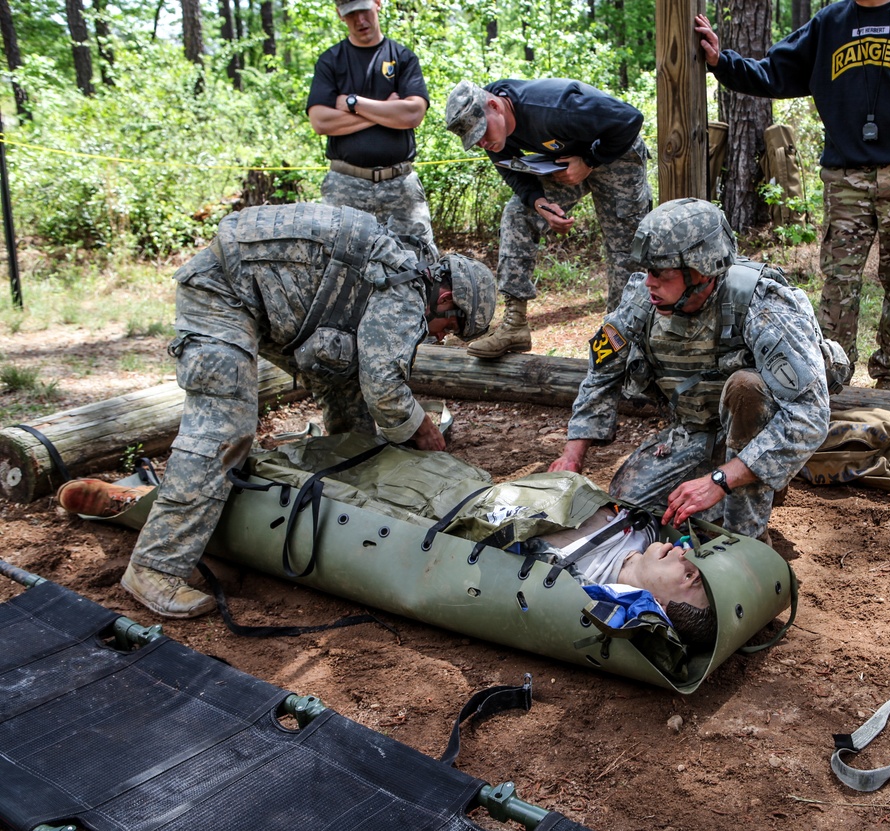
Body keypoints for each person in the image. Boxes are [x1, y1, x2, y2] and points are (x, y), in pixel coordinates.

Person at [101, 202, 495, 620]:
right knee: (223, 429)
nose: (439, 338)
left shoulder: (403, 265)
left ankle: (341, 500)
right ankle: (155, 566)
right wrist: (421, 430)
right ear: (447, 297)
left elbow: (365, 382)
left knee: (349, 395)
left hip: (269, 300)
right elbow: (385, 389)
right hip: (223, 292)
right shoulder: (407, 289)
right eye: (448, 329)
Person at [56, 457, 715, 648]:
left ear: (653, 602)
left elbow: (635, 623)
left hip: (455, 528)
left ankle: (141, 499)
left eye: (688, 578)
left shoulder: (607, 597)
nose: (688, 560)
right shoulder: (639, 536)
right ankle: (223, 459)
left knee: (314, 504)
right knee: (364, 463)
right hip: (482, 491)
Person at [695, 2, 890, 391]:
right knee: (839, 282)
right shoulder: (829, 23)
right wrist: (723, 62)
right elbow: (775, 72)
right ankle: (834, 375)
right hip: (846, 177)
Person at [549, 198, 839, 542]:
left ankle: (747, 534)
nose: (649, 283)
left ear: (701, 271)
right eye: (648, 271)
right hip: (695, 430)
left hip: (758, 431)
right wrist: (572, 455)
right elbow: (602, 372)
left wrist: (719, 481)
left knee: (746, 388)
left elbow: (809, 415)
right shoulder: (643, 299)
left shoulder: (762, 305)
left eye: (662, 273)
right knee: (632, 512)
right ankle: (750, 477)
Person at [444, 78, 652, 358]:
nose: (483, 142)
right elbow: (510, 168)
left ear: (494, 105)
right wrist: (538, 202)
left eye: (482, 132)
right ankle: (515, 324)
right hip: (567, 162)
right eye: (475, 140)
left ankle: (621, 339)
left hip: (615, 153)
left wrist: (590, 161)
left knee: (625, 250)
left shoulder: (554, 105)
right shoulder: (493, 132)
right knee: (519, 213)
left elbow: (629, 119)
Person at [306, 0, 437, 260]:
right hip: (346, 185)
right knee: (339, 268)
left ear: (378, 4)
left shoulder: (402, 57)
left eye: (364, 10)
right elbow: (321, 122)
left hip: (400, 184)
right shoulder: (331, 61)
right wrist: (387, 112)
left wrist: (354, 104)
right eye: (351, 14)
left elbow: (413, 114)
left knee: (420, 264)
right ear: (340, 15)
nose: (360, 20)